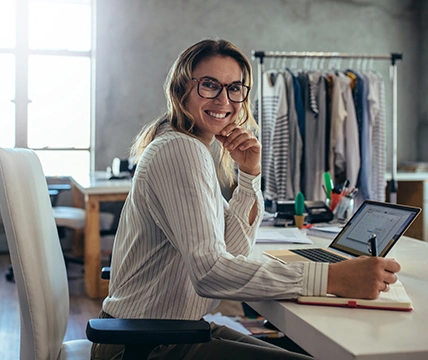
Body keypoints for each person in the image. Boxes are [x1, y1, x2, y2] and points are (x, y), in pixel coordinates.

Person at [91, 38, 401, 360]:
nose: (224, 99)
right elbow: (211, 273)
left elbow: (234, 250)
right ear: (181, 88)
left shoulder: (192, 148)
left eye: (235, 87)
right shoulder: (179, 150)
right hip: (146, 346)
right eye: (209, 85)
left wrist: (249, 174)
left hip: (171, 333)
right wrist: (331, 277)